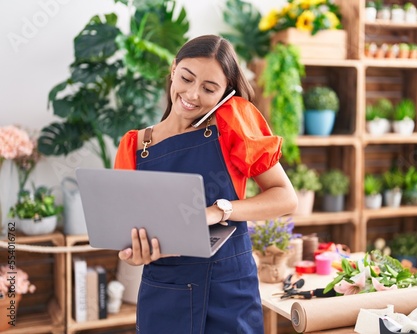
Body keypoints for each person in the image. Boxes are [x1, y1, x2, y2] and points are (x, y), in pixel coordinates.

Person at [114, 34, 298, 333]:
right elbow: (128, 237)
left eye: (209, 88)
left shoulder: (232, 123)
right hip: (164, 292)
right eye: (186, 78)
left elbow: (285, 197)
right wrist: (135, 254)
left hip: (230, 289)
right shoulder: (134, 146)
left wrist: (219, 210)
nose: (193, 94)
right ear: (173, 70)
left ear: (226, 93)